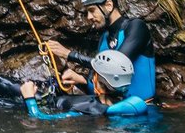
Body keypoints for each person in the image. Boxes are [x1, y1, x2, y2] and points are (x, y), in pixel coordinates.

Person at [44, 0, 157, 102]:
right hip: (115, 109)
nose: (89, 17)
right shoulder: (104, 39)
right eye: (87, 12)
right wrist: (80, 80)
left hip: (144, 113)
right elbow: (100, 88)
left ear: (109, 5)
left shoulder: (136, 27)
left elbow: (115, 66)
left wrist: (69, 54)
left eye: (92, 10)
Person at [20, 49, 150, 120]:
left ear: (99, 83)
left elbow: (39, 118)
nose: (92, 78)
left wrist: (29, 98)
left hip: (39, 102)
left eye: (94, 75)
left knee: (1, 82)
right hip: (53, 99)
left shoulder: (89, 111)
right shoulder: (121, 103)